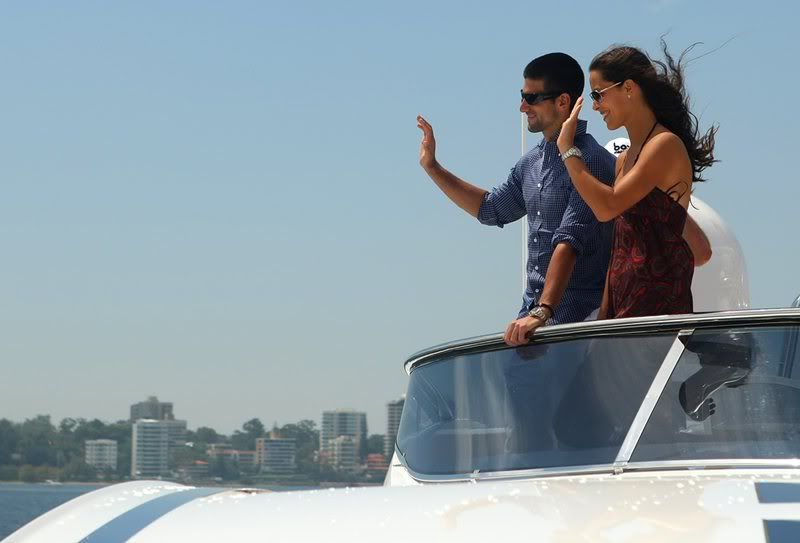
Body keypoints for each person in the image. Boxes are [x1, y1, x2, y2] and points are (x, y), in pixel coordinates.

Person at [417, 53, 616, 346]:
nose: (522, 106)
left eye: (531, 98)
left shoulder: (593, 162)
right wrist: (432, 167)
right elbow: (491, 209)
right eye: (522, 96)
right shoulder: (530, 163)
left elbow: (569, 240)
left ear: (562, 102)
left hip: (578, 326)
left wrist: (543, 311)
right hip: (532, 326)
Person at [557, 43, 717, 319]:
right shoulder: (624, 161)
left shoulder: (664, 144)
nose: (594, 106)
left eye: (598, 94)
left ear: (628, 88)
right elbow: (625, 244)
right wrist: (605, 316)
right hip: (625, 316)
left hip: (657, 315)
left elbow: (607, 207)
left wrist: (568, 150)